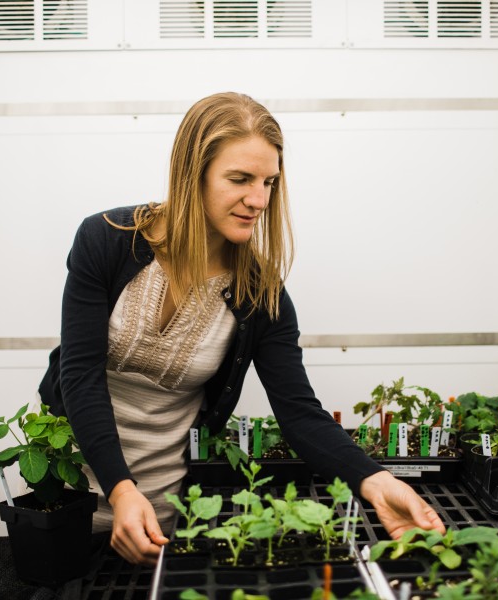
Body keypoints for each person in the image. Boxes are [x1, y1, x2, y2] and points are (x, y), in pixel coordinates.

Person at [39, 91, 445, 566]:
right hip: (67, 481)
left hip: (158, 505)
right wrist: (119, 488)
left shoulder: (259, 294)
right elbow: (81, 375)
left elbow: (299, 413)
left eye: (269, 182)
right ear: (193, 175)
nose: (259, 200)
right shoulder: (106, 241)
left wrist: (376, 481)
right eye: (240, 179)